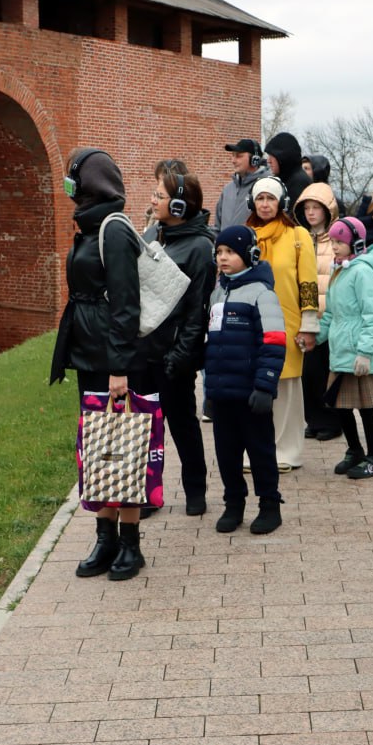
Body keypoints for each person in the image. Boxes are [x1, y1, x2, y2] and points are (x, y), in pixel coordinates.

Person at [48, 147, 147, 581]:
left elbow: (127, 306)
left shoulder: (114, 231)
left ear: (90, 184)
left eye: (72, 179)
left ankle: (130, 544)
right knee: (97, 450)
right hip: (90, 358)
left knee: (122, 446)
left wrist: (120, 368)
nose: (67, 188)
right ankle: (104, 538)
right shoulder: (89, 229)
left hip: (115, 362)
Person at [140, 166, 215, 517]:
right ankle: (147, 494)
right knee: (144, 428)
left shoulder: (200, 247)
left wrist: (180, 356)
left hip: (174, 355)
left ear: (181, 206)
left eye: (160, 196)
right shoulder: (153, 234)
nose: (153, 200)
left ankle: (195, 491)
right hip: (143, 350)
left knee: (183, 426)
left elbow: (196, 310)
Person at [204, 226, 286, 534]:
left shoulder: (262, 294)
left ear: (249, 255)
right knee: (226, 454)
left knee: (260, 451)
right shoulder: (217, 293)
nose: (222, 258)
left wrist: (265, 385)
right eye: (219, 253)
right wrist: (209, 392)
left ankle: (269, 505)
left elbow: (275, 341)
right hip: (222, 393)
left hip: (252, 393)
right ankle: (233, 504)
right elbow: (210, 345)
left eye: (230, 253)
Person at [246, 177, 319, 471]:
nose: (265, 204)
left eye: (270, 198)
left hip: (289, 322)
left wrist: (309, 324)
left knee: (286, 387)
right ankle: (257, 450)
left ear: (281, 203)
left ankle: (287, 452)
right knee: (254, 385)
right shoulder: (245, 234)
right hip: (251, 323)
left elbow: (308, 282)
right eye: (260, 198)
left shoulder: (298, 235)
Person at [317, 216, 373, 478]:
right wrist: (315, 338)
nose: (335, 246)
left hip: (360, 353)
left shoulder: (362, 272)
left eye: (340, 242)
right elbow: (331, 314)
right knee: (340, 405)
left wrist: (365, 352)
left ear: (355, 243)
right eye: (333, 241)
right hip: (340, 352)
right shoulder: (340, 270)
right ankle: (355, 450)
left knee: (366, 407)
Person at [294, 182, 344, 442]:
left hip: (330, 316)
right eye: (307, 208)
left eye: (317, 207)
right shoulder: (299, 238)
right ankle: (313, 418)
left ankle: (331, 420)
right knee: (308, 374)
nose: (311, 213)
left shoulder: (335, 239)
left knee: (327, 372)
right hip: (306, 315)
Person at [215, 140, 268, 232]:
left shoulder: (267, 187)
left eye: (239, 156)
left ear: (254, 160)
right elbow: (217, 227)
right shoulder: (228, 189)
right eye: (233, 156)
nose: (233, 161)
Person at [263, 132, 312, 209]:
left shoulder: (299, 184)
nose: (268, 161)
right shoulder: (285, 180)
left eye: (272, 156)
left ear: (283, 157)